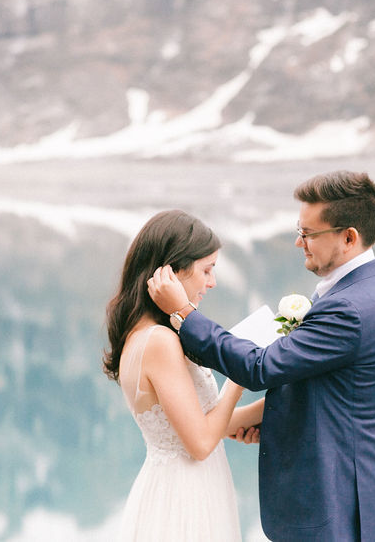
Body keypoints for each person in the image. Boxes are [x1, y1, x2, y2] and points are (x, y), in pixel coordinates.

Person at [149, 170, 375, 541]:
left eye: (308, 234)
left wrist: (185, 316)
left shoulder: (350, 308)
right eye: (298, 229)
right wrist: (272, 423)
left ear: (349, 237)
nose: (298, 241)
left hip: (334, 504)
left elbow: (260, 367)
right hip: (344, 493)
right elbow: (327, 389)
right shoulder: (369, 289)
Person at [103, 209, 262, 541]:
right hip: (185, 497)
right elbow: (201, 442)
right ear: (172, 272)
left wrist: (281, 403)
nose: (212, 282)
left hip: (180, 485)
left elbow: (199, 423)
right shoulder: (160, 342)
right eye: (206, 270)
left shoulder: (145, 334)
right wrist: (238, 377)